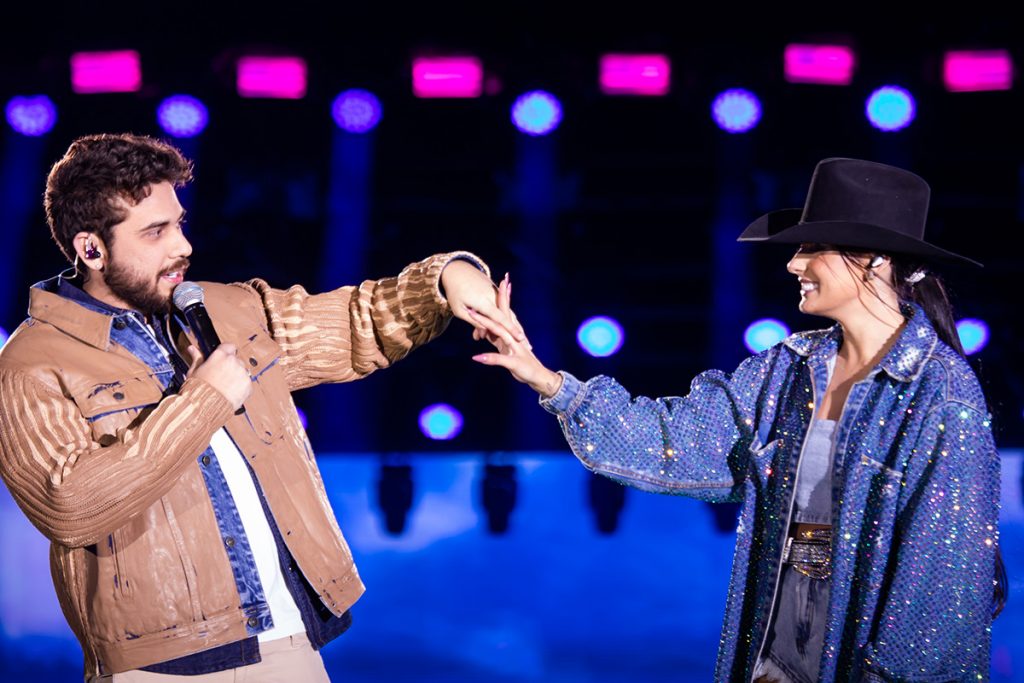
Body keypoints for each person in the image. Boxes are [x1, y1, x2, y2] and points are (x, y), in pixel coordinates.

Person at [0, 133, 523, 682]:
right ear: (91, 250)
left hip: (287, 646)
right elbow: (71, 506)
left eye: (178, 223)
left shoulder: (228, 308)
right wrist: (205, 398)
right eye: (155, 232)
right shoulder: (31, 363)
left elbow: (355, 321)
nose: (182, 246)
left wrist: (444, 277)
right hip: (157, 665)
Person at [471, 157, 1005, 681]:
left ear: (871, 259)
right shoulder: (787, 371)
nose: (795, 264)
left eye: (811, 248)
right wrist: (544, 377)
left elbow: (941, 595)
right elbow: (670, 441)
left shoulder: (941, 395)